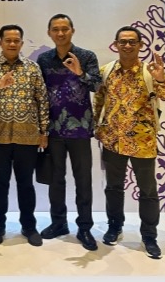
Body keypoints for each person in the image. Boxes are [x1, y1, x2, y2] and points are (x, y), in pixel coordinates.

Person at [93, 26, 165, 260]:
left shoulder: (150, 72)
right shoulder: (107, 71)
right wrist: (97, 127)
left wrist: (161, 78)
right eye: (123, 41)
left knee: (148, 191)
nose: (127, 45)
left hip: (143, 141)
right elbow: (99, 101)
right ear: (115, 44)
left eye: (132, 42)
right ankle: (115, 227)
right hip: (112, 140)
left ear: (140, 45)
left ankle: (149, 236)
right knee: (113, 187)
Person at [0, 24, 49, 247]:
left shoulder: (32, 68)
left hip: (28, 135)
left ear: (21, 43)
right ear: (0, 42)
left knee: (25, 184)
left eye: (16, 40)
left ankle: (29, 226)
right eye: (7, 40)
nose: (12, 44)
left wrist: (44, 131)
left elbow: (42, 100)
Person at [36, 14, 101, 251]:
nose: (60, 33)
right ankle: (58, 223)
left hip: (80, 129)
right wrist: (41, 128)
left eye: (65, 29)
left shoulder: (86, 56)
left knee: (83, 180)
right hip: (53, 129)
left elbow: (97, 85)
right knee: (55, 180)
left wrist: (79, 72)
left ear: (72, 30)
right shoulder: (44, 59)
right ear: (49, 33)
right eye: (55, 29)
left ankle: (84, 227)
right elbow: (39, 94)